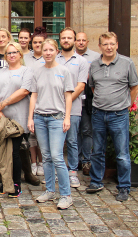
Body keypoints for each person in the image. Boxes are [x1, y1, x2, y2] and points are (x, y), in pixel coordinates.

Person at [86, 32, 138, 202]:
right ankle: (96, 181)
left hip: (119, 114)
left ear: (117, 45)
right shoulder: (94, 64)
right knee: (97, 150)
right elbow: (93, 87)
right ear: (100, 46)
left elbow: (133, 87)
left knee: (122, 153)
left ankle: (124, 186)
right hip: (98, 113)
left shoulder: (127, 63)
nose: (109, 47)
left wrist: (126, 106)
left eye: (112, 44)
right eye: (105, 44)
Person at [28, 38, 74, 210]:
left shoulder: (64, 71)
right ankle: (49, 190)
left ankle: (66, 195)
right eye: (44, 50)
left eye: (50, 50)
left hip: (57, 118)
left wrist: (67, 117)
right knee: (46, 156)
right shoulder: (37, 71)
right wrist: (30, 117)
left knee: (57, 156)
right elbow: (34, 95)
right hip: (40, 117)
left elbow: (68, 96)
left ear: (57, 51)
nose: (47, 53)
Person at [0, 42, 33, 197]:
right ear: (5, 56)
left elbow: (24, 91)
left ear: (20, 54)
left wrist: (3, 104)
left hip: (18, 117)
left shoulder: (26, 71)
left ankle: (16, 183)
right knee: (2, 151)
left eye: (15, 52)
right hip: (1, 117)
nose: (12, 55)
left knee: (14, 152)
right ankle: (5, 182)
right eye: (8, 53)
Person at [56, 28, 88, 188]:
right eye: (63, 38)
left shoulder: (81, 61)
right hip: (54, 108)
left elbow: (81, 86)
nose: (66, 40)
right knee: (56, 141)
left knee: (72, 140)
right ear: (59, 40)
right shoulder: (54, 59)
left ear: (74, 40)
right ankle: (58, 171)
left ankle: (73, 172)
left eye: (69, 38)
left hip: (73, 108)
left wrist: (65, 101)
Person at [74, 32, 101, 175]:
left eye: (83, 40)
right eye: (78, 40)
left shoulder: (95, 57)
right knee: (75, 132)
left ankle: (86, 160)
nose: (81, 43)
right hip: (73, 99)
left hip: (88, 100)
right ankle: (76, 160)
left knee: (87, 131)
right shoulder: (69, 56)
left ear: (88, 41)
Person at [23, 26, 46, 176]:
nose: (37, 45)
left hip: (44, 99)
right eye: (35, 42)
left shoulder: (49, 57)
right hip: (29, 97)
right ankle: (33, 162)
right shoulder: (25, 58)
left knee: (42, 134)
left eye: (40, 42)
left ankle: (42, 162)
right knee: (31, 134)